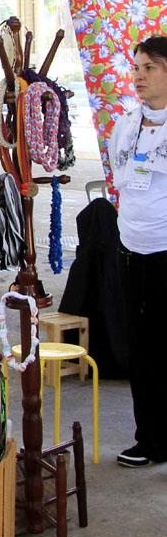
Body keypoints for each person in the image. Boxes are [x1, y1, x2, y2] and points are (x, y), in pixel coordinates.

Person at [112, 35, 167, 468]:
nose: (138, 76)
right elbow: (122, 179)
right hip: (131, 247)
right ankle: (147, 438)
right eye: (136, 68)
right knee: (141, 346)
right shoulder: (126, 125)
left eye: (149, 67)